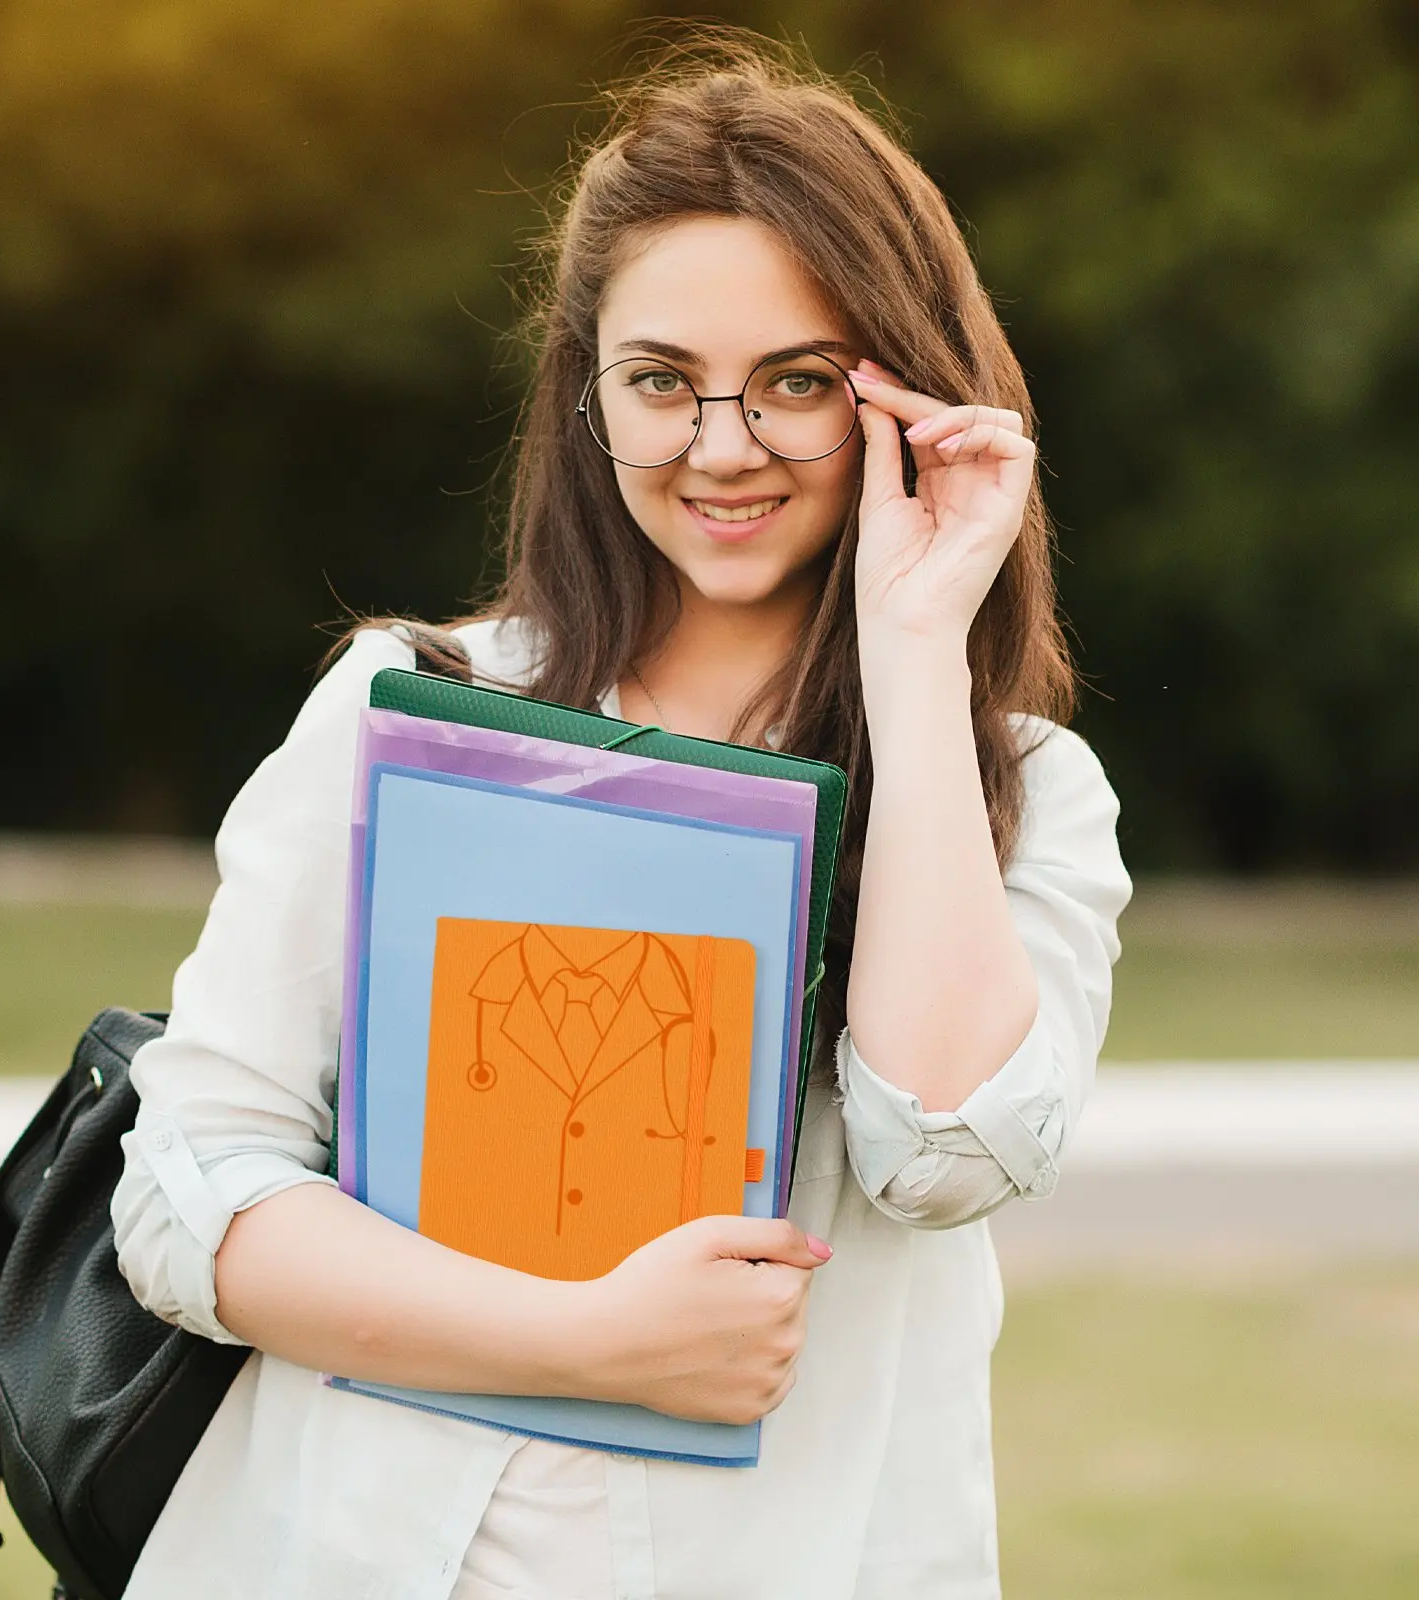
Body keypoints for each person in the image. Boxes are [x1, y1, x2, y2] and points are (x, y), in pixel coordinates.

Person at [110, 32, 1131, 1599]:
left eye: (798, 384)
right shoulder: (408, 705)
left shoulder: (1016, 794)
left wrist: (915, 652)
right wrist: (586, 1340)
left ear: (910, 396)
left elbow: (950, 1152)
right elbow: (189, 1201)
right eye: (661, 382)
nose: (722, 449)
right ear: (587, 394)